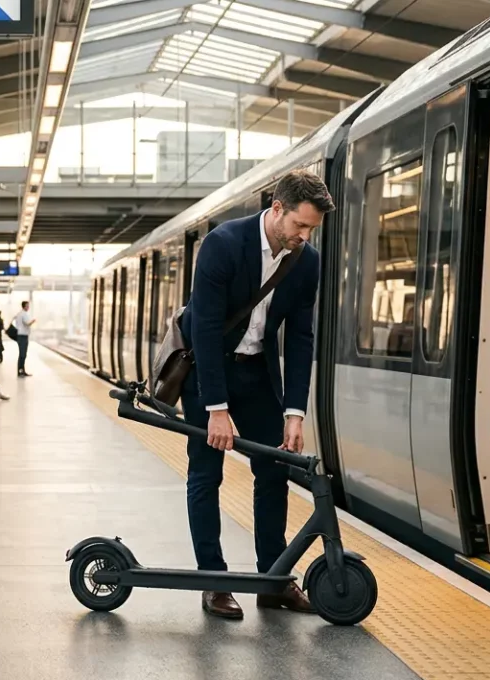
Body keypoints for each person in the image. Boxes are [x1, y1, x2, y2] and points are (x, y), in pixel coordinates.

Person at [180, 170, 330, 619]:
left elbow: (301, 338)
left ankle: (274, 579)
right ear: (277, 209)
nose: (304, 237)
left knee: (273, 470)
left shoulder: (307, 260)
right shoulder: (224, 244)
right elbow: (205, 329)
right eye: (299, 226)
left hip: (257, 373)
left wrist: (295, 412)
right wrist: (216, 408)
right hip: (206, 373)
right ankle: (214, 581)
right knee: (207, 474)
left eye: (312, 230)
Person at [12, 301, 36, 377]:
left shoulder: (19, 313)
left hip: (20, 335)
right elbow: (27, 323)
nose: (28, 307)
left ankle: (22, 370)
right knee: (23, 354)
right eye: (27, 306)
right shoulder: (24, 314)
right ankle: (20, 371)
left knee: (22, 354)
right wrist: (33, 321)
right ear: (24, 306)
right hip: (23, 336)